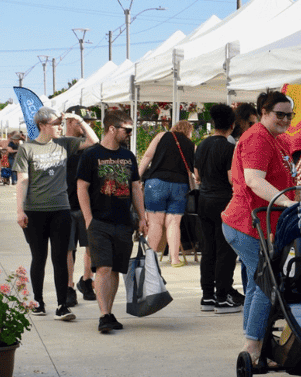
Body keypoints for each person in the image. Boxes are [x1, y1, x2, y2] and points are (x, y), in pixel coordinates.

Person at [222, 90, 297, 365]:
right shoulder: (258, 138)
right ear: (263, 112)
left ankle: (255, 345)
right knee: (267, 286)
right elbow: (253, 180)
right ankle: (253, 349)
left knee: (257, 285)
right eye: (280, 114)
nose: (286, 119)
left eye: (290, 115)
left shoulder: (276, 140)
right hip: (246, 223)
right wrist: (287, 202)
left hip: (257, 224)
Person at [76, 109, 148, 334]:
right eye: (127, 129)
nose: (129, 133)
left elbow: (135, 186)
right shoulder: (91, 155)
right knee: (104, 268)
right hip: (99, 221)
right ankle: (103, 315)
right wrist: (89, 219)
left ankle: (108, 311)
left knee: (116, 269)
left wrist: (143, 217)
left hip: (123, 222)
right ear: (112, 129)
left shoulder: (128, 156)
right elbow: (82, 187)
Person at [13, 108, 83, 321]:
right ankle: (39, 302)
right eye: (56, 123)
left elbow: (95, 141)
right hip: (36, 211)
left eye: (61, 122)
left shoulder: (64, 144)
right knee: (39, 257)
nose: (60, 126)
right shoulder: (27, 149)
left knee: (60, 257)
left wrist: (78, 120)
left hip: (61, 209)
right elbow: (22, 180)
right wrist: (19, 210)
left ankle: (62, 305)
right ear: (43, 125)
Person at [194, 103, 242, 313]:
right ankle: (222, 297)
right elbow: (233, 179)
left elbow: (197, 176)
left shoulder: (201, 146)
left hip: (203, 201)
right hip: (224, 202)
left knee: (208, 250)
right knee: (225, 251)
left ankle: (207, 297)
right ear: (232, 126)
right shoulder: (230, 148)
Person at [139, 120, 197, 267]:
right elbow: (195, 170)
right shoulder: (191, 145)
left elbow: (147, 156)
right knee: (174, 223)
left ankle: (149, 260)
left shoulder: (161, 136)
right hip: (179, 185)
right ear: (189, 131)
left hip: (156, 183)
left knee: (155, 223)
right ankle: (175, 259)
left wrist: (137, 176)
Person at [62, 113, 99, 306]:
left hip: (86, 204)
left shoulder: (85, 146)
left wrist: (82, 122)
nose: (86, 126)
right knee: (68, 248)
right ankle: (69, 286)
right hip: (66, 204)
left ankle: (86, 280)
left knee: (90, 245)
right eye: (80, 122)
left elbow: (94, 140)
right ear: (68, 122)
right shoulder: (61, 143)